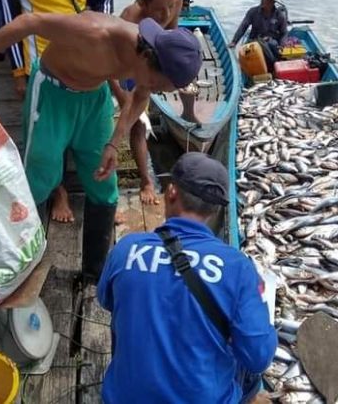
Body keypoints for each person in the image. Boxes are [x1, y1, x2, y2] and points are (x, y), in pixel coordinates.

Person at [0, 11, 202, 280]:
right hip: (53, 94)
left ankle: (93, 274)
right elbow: (29, 22)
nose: (155, 90)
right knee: (40, 175)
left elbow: (138, 98)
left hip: (94, 101)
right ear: (147, 57)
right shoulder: (93, 31)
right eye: (158, 84)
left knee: (103, 182)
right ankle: (27, 263)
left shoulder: (152, 62)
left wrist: (114, 144)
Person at [97, 152, 277, 403]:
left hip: (122, 398)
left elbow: (105, 300)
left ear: (170, 192)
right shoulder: (238, 268)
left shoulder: (126, 249)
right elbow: (258, 357)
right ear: (216, 209)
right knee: (248, 367)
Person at [0, 0, 113, 223]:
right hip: (41, 71)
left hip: (85, 67)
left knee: (93, 144)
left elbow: (102, 5)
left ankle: (101, 209)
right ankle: (56, 197)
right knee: (44, 151)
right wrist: (19, 70)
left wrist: (101, 57)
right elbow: (8, 14)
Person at [117, 0, 183, 205]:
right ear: (142, 4)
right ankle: (146, 181)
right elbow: (111, 71)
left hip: (151, 60)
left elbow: (171, 36)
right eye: (158, 10)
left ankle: (146, 179)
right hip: (127, 66)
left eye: (171, 5)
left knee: (138, 116)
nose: (166, 13)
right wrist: (123, 98)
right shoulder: (128, 20)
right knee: (134, 124)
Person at [229, 0, 288, 70]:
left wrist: (282, 45)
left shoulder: (279, 16)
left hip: (271, 43)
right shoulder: (253, 12)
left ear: (272, 2)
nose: (263, 1)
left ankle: (274, 66)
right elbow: (243, 26)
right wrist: (234, 41)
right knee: (258, 47)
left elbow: (284, 33)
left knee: (273, 45)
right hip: (254, 41)